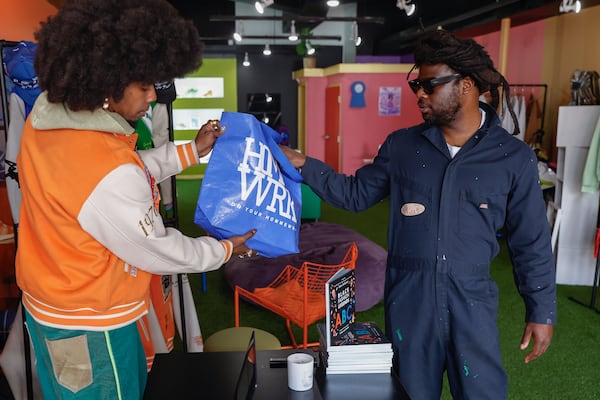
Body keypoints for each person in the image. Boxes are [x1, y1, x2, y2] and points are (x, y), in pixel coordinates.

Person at [280, 29, 556, 399]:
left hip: (471, 301)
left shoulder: (513, 158)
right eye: (416, 85)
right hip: (409, 301)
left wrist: (541, 310)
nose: (420, 94)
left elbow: (531, 241)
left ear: (467, 85)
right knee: (409, 394)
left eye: (430, 84)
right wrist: (303, 163)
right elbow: (356, 194)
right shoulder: (402, 146)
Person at [15, 0, 256, 398]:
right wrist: (224, 249)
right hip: (92, 322)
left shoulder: (49, 121)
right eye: (143, 86)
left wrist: (191, 151)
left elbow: (124, 172)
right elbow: (156, 249)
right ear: (108, 84)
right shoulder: (103, 165)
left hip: (53, 305)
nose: (152, 98)